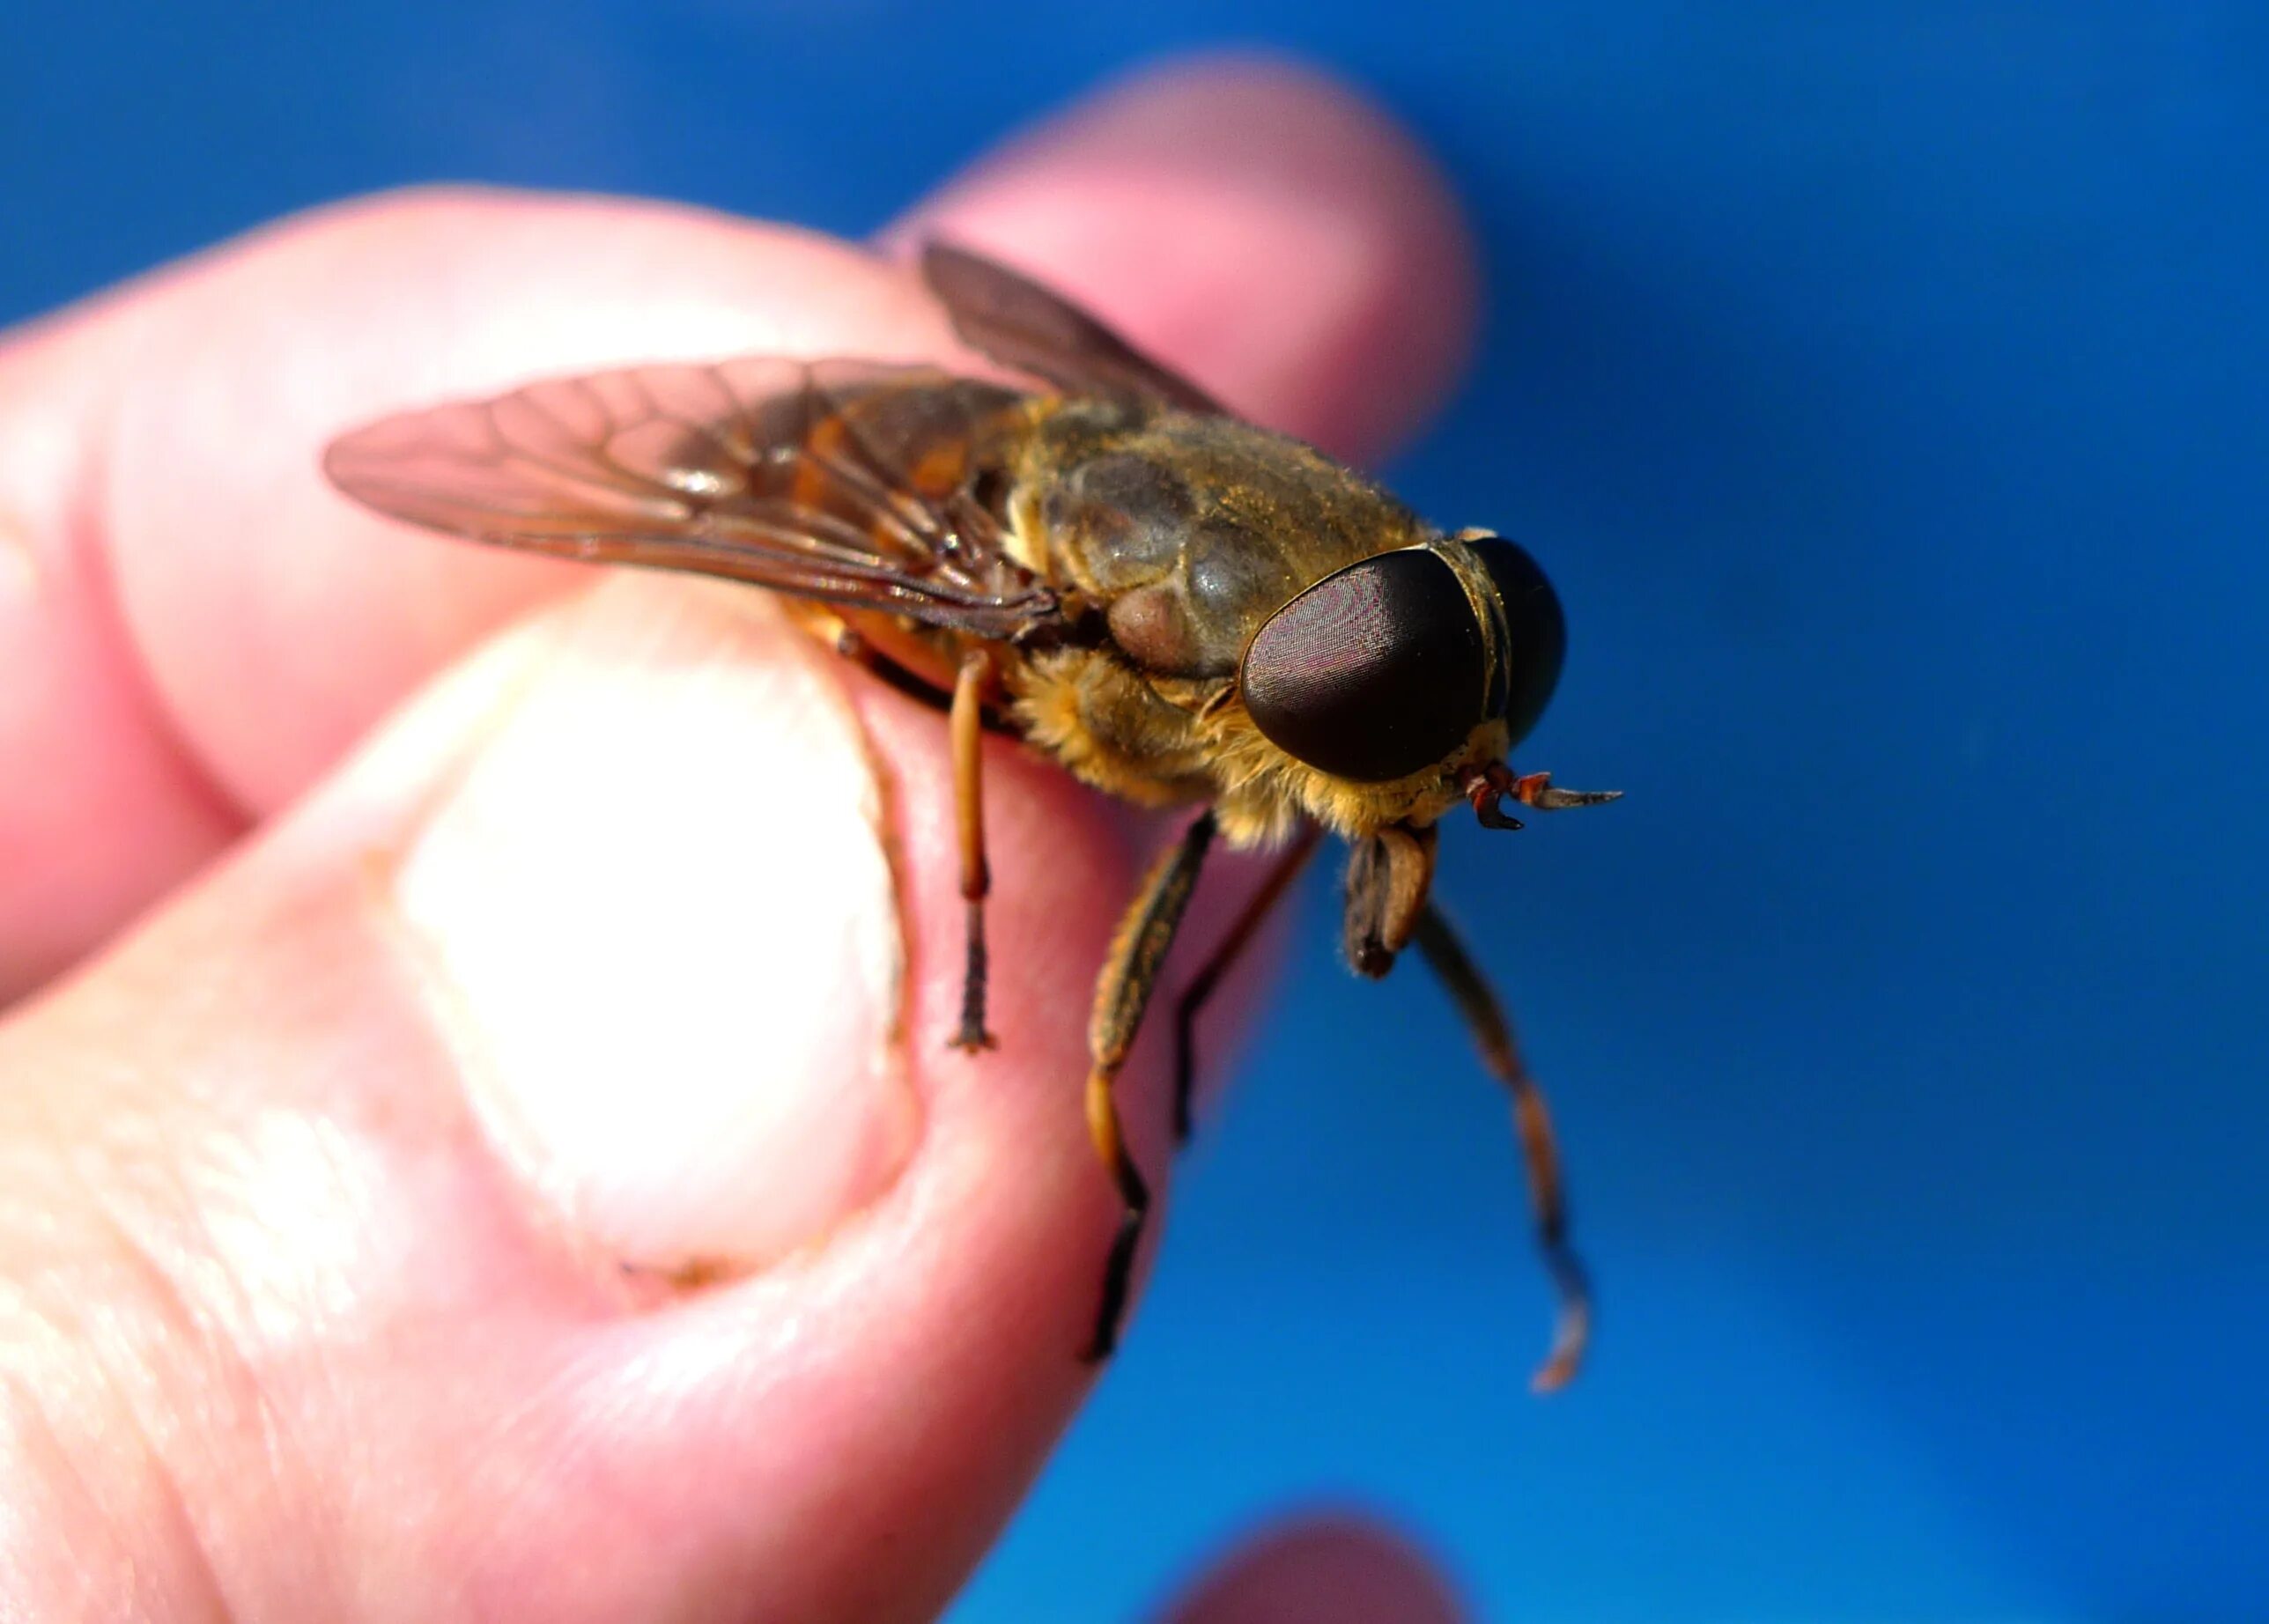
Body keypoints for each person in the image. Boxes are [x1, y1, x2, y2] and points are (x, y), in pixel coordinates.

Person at [0, 57, 1477, 1621]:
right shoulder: (1187, 647)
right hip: (895, 506)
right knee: (925, 670)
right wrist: (963, 928)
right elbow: (988, 677)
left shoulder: (1323, 657)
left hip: (1064, 464)